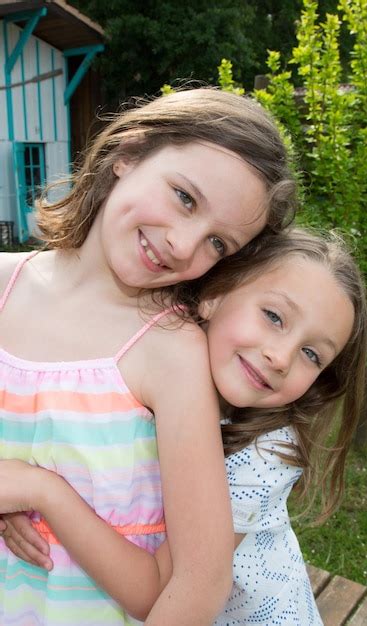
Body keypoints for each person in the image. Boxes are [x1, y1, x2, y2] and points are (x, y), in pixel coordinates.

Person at [0, 87, 297, 626]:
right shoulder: (3, 284)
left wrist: (37, 489)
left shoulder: (171, 350)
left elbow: (200, 583)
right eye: (185, 198)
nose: (184, 246)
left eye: (217, 244)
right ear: (129, 153)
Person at [0, 228, 367, 625]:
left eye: (311, 354)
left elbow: (162, 589)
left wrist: (43, 492)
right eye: (273, 316)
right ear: (215, 295)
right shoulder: (152, 369)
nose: (281, 358)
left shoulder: (264, 456)